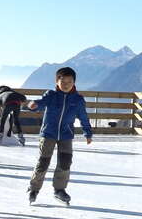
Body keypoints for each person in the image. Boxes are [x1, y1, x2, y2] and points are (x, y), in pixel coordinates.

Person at [27, 66, 93, 205]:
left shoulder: (78, 100)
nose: (66, 85)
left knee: (65, 162)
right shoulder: (51, 95)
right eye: (63, 82)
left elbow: (83, 117)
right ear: (57, 82)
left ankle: (59, 190)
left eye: (69, 82)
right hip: (48, 133)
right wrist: (34, 105)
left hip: (66, 135)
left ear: (74, 82)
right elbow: (41, 103)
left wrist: (87, 132)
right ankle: (34, 189)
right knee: (43, 162)